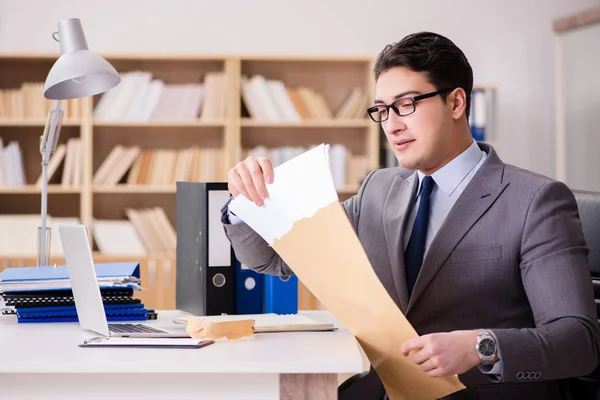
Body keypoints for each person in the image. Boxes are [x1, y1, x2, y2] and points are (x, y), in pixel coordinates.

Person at [220, 31, 600, 400]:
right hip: (378, 388)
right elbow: (272, 259)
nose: (392, 124)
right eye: (382, 110)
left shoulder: (536, 200)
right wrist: (247, 202)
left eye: (407, 105)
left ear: (456, 103)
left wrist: (481, 346)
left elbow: (578, 341)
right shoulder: (378, 190)